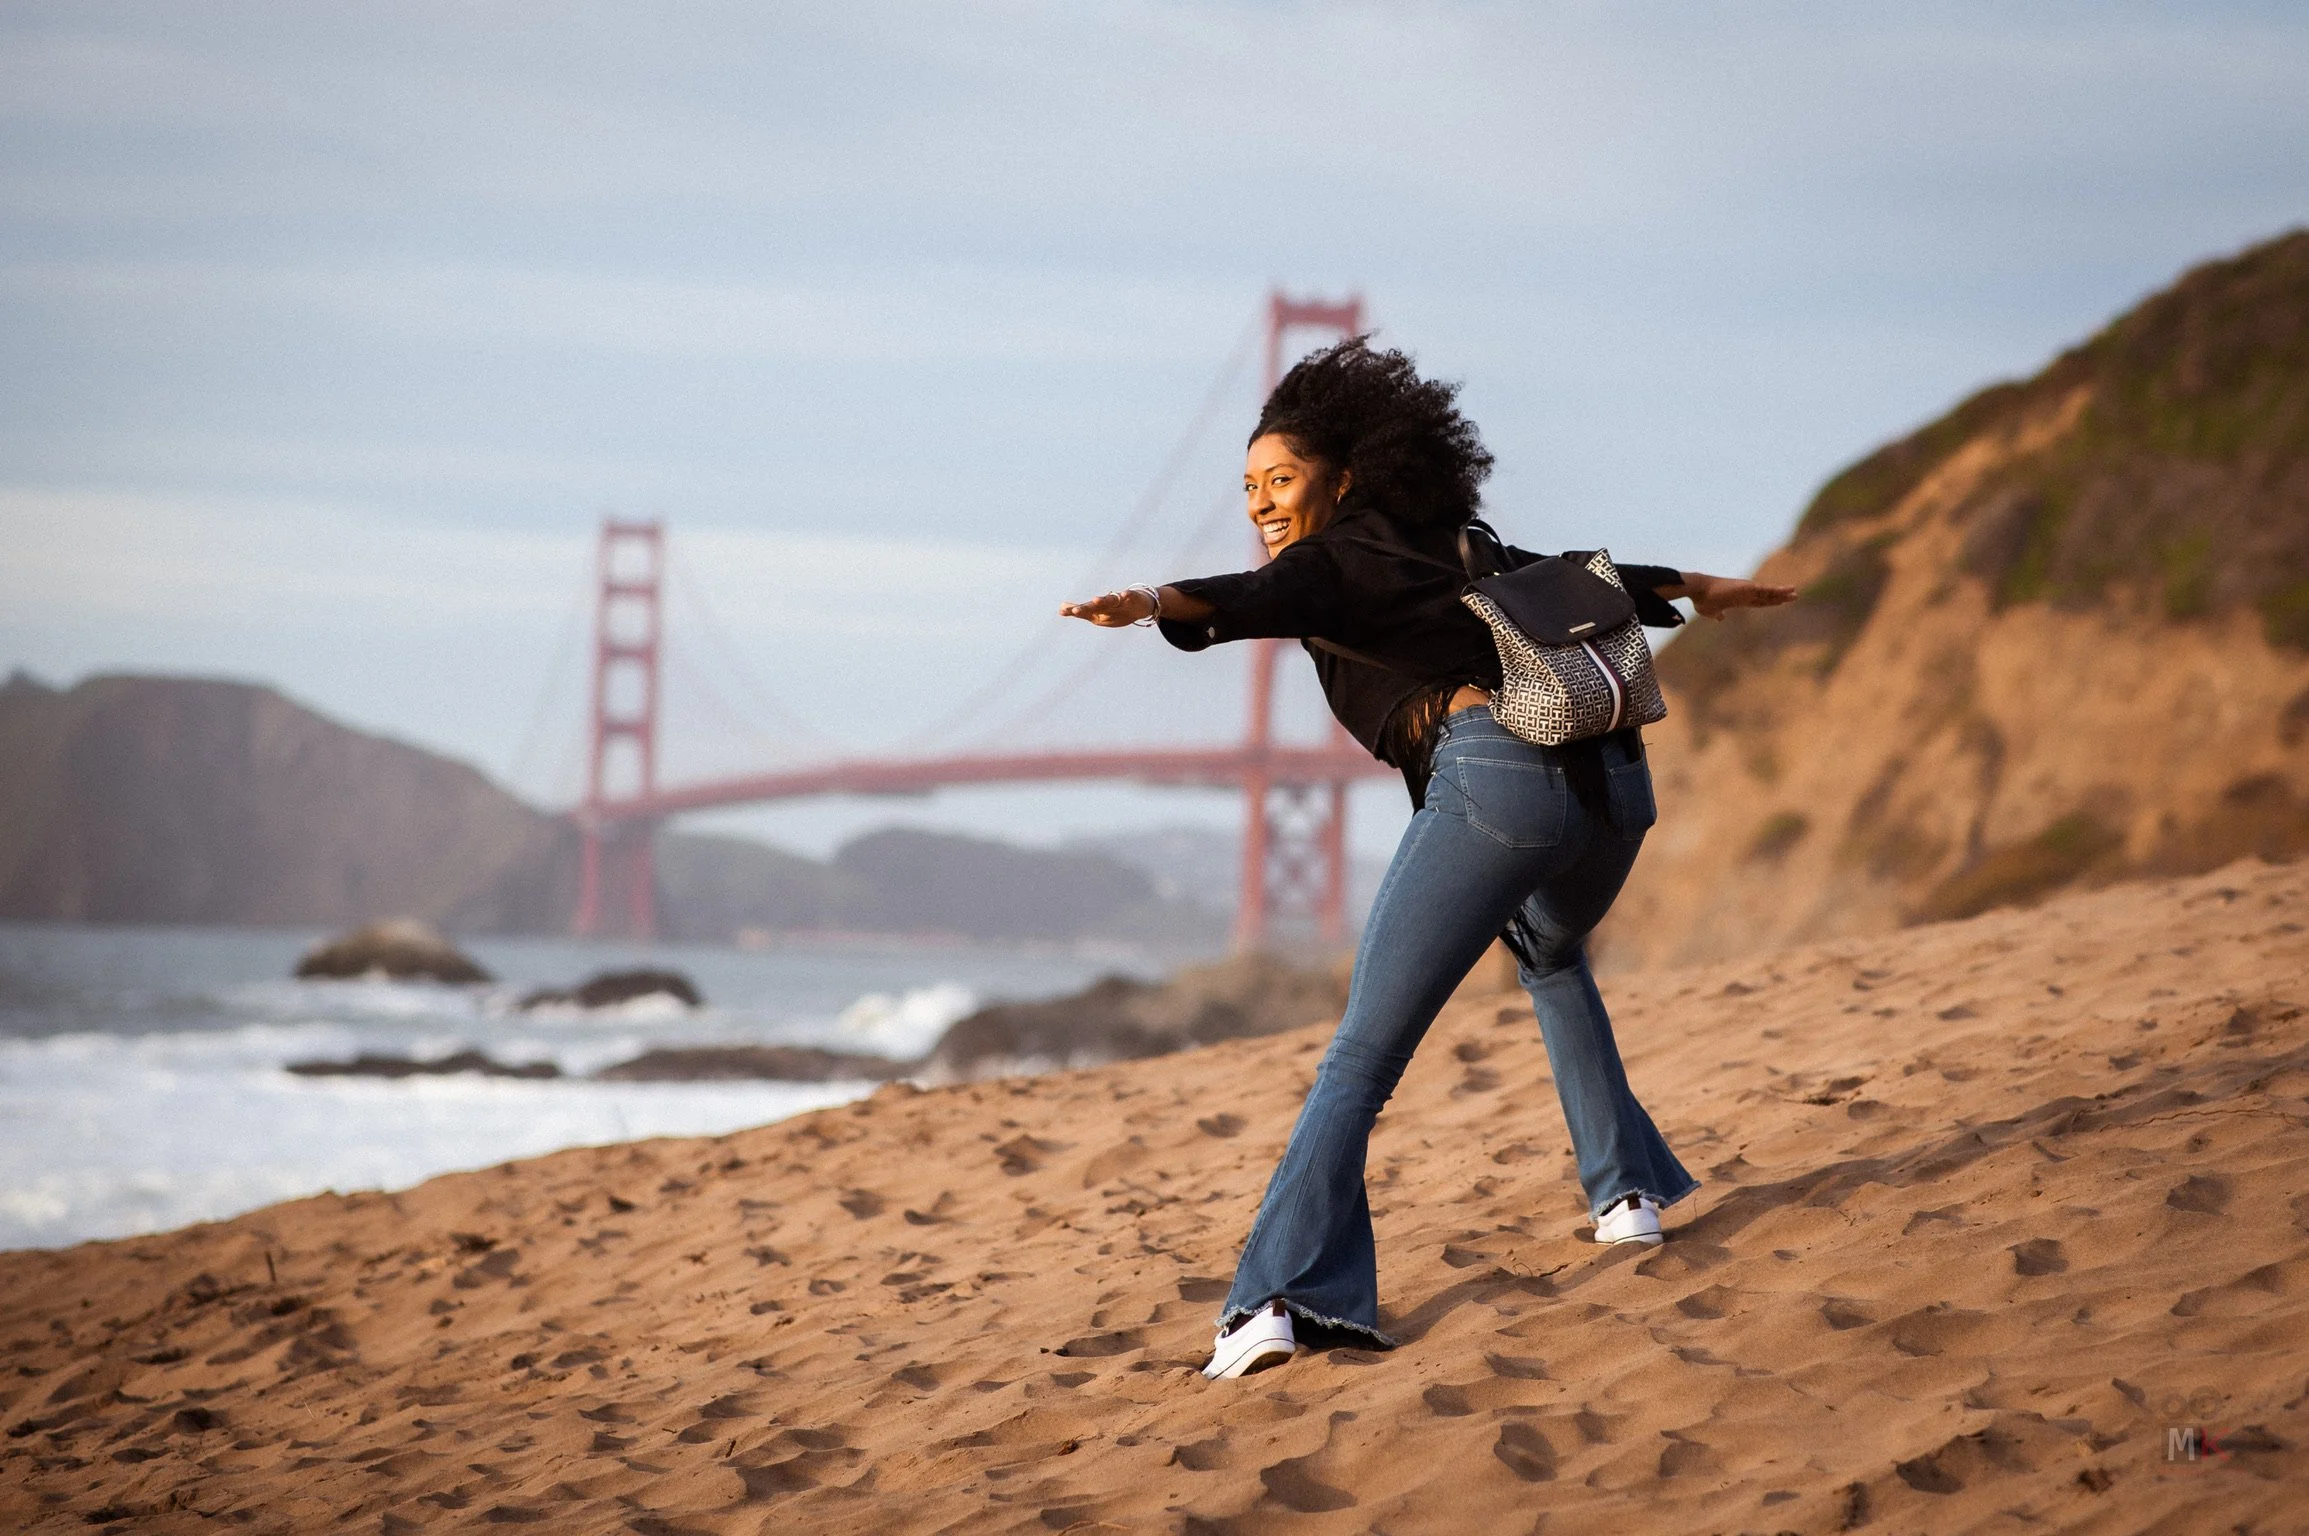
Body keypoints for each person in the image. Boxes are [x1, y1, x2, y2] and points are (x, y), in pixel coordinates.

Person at [1060, 340, 1796, 1380]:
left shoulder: (1325, 563)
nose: (1260, 504)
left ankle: (1276, 1300)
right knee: (1547, 956)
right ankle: (1624, 1195)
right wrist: (1694, 586)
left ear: (1344, 477)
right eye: (1247, 487)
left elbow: (1243, 596)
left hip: (1499, 785)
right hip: (1614, 790)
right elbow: (1581, 581)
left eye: (1279, 479)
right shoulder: (1461, 542)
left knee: (1360, 1058)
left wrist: (1146, 601)